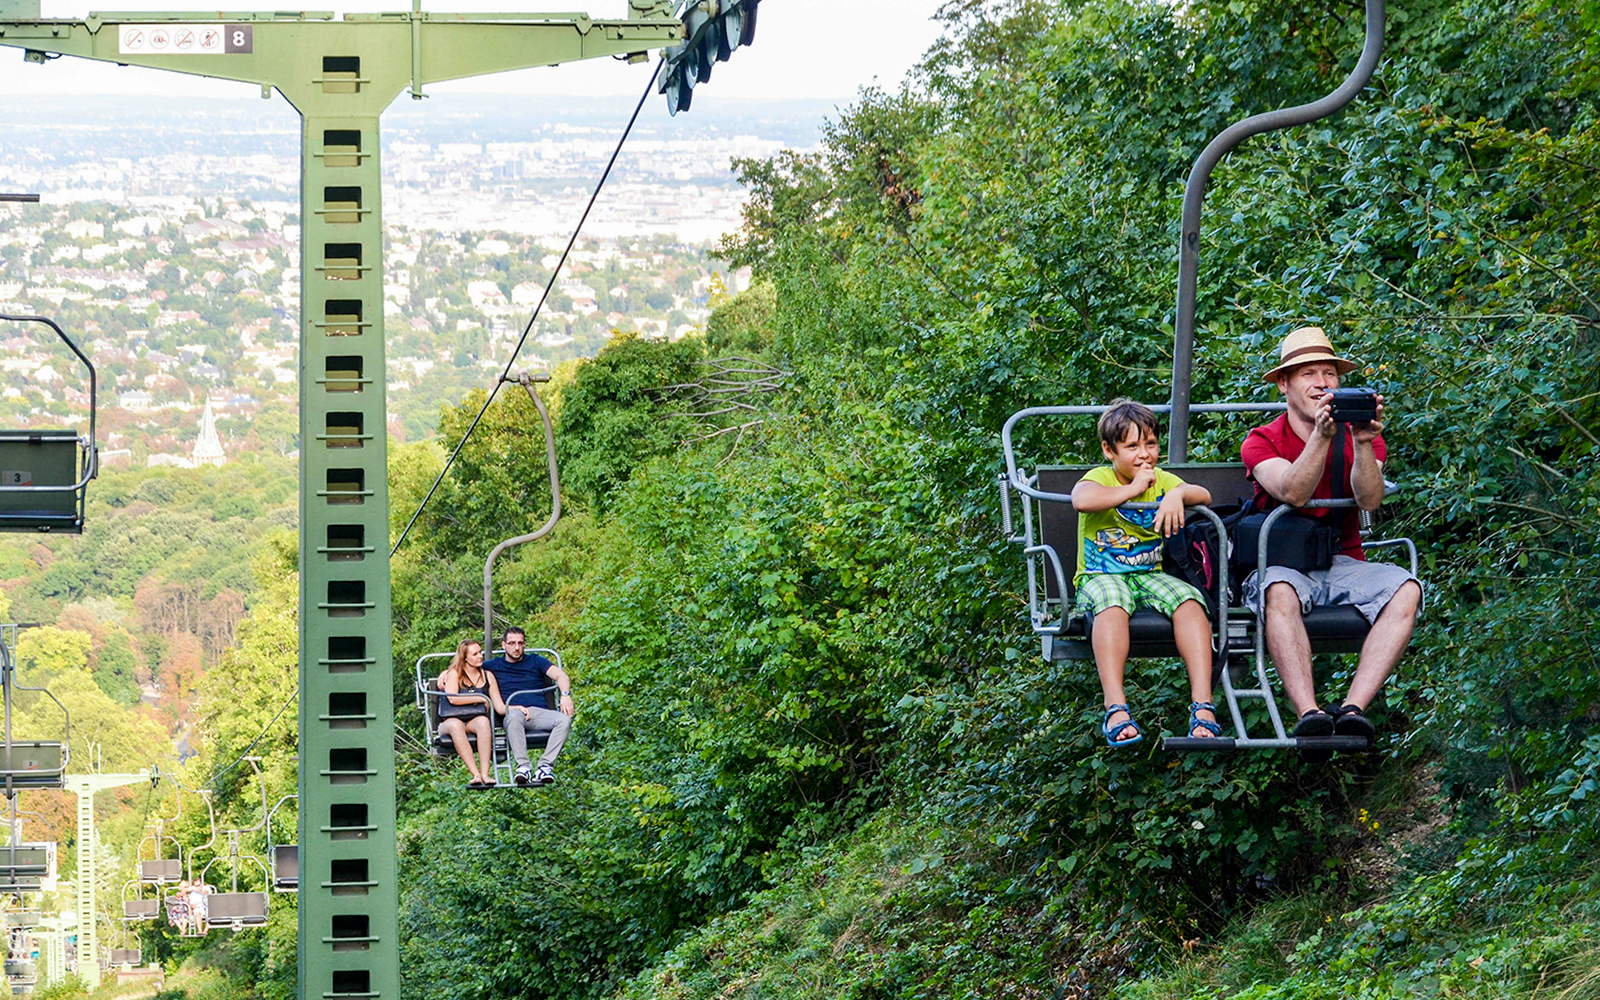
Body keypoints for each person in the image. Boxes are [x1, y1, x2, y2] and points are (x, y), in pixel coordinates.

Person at [1241, 327, 1422, 756]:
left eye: (1330, 373)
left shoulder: (1360, 433)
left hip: (1342, 562)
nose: (1323, 383)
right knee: (1279, 591)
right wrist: (1322, 436)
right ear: (1285, 383)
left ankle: (1353, 708)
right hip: (1282, 565)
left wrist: (1361, 443)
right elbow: (1293, 491)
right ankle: (1310, 716)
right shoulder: (1261, 440)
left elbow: (1370, 499)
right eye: (1309, 374)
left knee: (1407, 588)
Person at [1070, 399, 1219, 747]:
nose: (1144, 455)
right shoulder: (1101, 477)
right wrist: (1133, 490)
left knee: (1189, 600)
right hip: (1100, 574)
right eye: (1132, 446)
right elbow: (1082, 499)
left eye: (1150, 444)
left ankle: (1203, 705)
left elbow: (1205, 495)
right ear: (1110, 450)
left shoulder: (1162, 479)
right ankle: (1116, 706)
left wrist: (1177, 494)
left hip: (1148, 574)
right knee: (1112, 601)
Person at [482, 627, 572, 786]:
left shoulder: (536, 661)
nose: (516, 648)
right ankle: (523, 767)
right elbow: (464, 669)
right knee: (515, 716)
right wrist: (446, 674)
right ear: (504, 645)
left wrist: (565, 695)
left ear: (524, 645)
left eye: (520, 643)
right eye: (511, 643)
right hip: (513, 712)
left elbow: (560, 675)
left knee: (564, 720)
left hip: (538, 713)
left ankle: (545, 766)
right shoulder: (494, 665)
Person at [437, 638, 510, 787]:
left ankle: (485, 774)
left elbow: (499, 706)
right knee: (456, 725)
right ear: (465, 658)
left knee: (484, 722)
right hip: (450, 721)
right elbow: (453, 698)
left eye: (480, 652)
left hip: (472, 720)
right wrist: (479, 698)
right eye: (475, 654)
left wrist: (517, 708)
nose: (480, 656)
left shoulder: (487, 676)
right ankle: (475, 774)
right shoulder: (454, 674)